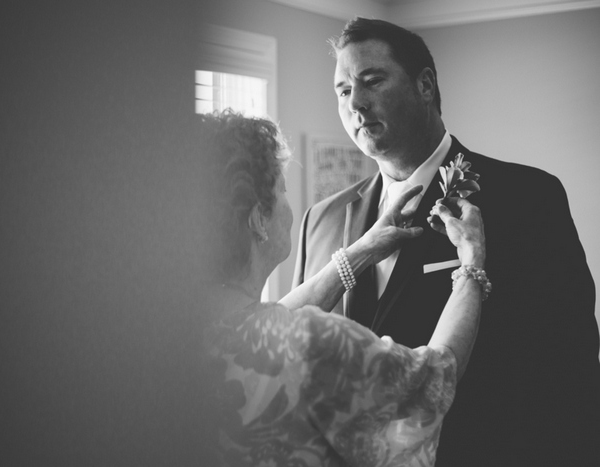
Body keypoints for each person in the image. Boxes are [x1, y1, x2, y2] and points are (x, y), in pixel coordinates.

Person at [292, 17, 600, 467]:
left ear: (425, 85)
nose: (355, 102)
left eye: (372, 80)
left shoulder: (527, 198)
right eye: (342, 90)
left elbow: (568, 365)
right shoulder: (318, 221)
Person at [201, 109, 488, 467]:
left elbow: (261, 322)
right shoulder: (308, 344)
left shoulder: (174, 338)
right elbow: (432, 377)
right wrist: (472, 265)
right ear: (259, 218)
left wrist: (360, 252)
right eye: (283, 188)